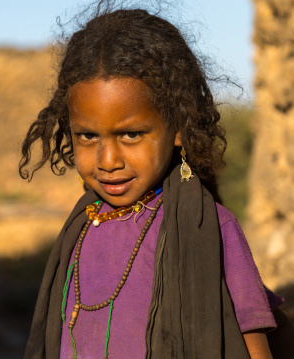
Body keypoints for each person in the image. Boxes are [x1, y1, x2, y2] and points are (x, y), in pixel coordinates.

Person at [19, 5, 285, 359]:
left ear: (177, 128)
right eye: (86, 136)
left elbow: (253, 347)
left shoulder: (210, 228)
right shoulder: (78, 232)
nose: (108, 160)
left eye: (130, 135)